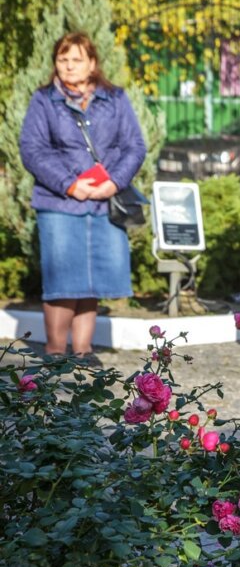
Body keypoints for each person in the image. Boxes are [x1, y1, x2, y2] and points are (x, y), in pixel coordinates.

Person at [19, 32, 147, 366]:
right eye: (62, 60)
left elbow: (134, 145)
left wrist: (114, 182)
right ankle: (55, 352)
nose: (68, 66)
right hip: (59, 202)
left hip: (104, 200)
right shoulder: (44, 100)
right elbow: (32, 150)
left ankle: (84, 351)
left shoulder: (114, 98)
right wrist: (68, 184)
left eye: (76, 59)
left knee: (91, 278)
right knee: (63, 281)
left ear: (92, 63)